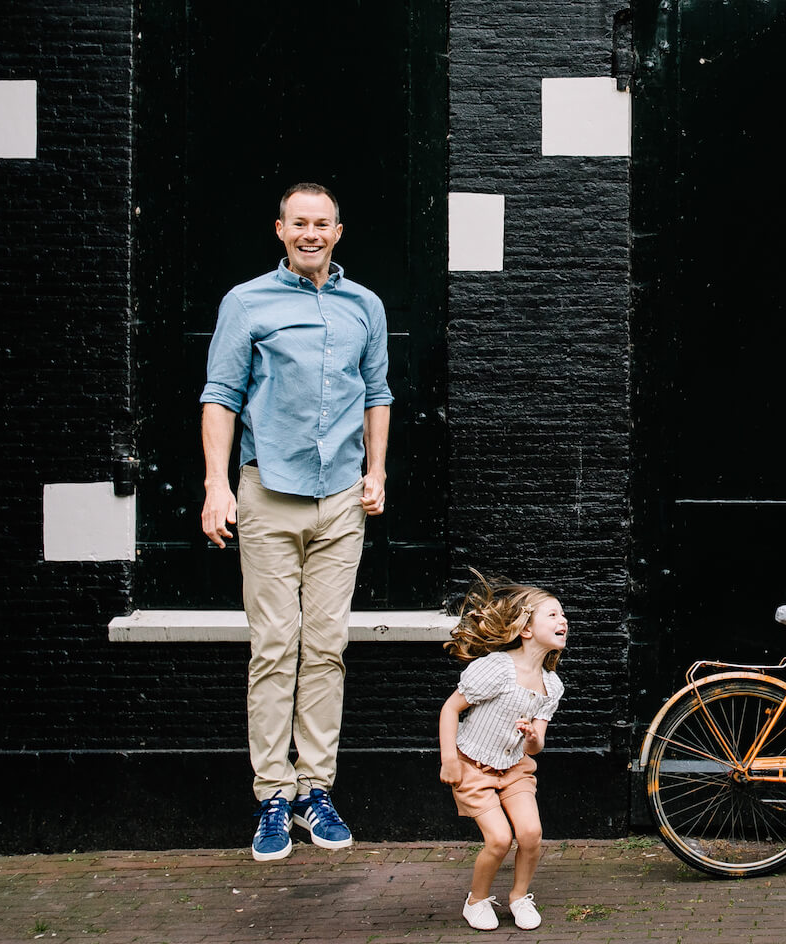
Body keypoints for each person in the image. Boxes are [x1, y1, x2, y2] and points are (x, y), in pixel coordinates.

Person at [200, 183, 392, 861]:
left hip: (342, 497)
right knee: (275, 646)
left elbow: (378, 394)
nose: (311, 233)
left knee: (327, 646)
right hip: (267, 492)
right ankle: (273, 798)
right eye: (299, 223)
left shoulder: (364, 305)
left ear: (338, 232)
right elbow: (220, 397)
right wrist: (215, 487)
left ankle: (316, 789)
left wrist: (377, 472)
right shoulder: (247, 302)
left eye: (322, 224)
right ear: (280, 229)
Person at [439, 575, 567, 931]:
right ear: (526, 630)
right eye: (553, 615)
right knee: (499, 839)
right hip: (473, 767)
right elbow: (451, 710)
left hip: (515, 767)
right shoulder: (496, 668)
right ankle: (476, 900)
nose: (563, 621)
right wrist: (449, 759)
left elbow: (538, 742)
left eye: (563, 616)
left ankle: (519, 896)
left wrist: (531, 739)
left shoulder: (551, 685)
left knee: (530, 834)